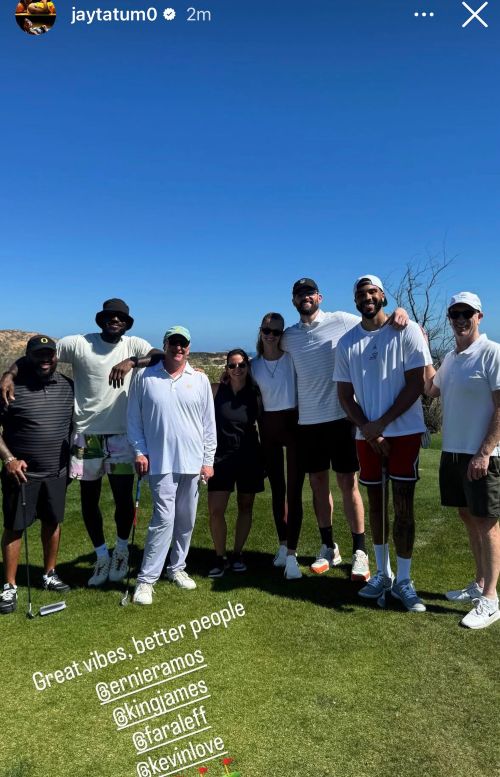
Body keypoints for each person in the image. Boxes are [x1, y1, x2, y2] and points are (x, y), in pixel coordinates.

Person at [0, 299, 154, 587]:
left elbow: (158, 355)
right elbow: (38, 355)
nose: (115, 321)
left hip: (121, 435)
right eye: (110, 316)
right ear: (101, 320)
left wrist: (131, 361)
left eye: (120, 317)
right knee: (89, 500)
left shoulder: (133, 345)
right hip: (87, 434)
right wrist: (9, 373)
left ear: (126, 322)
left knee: (123, 498)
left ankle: (121, 550)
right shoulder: (80, 343)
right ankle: (101, 556)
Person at [335, 275, 431, 612]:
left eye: (373, 292)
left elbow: (416, 383)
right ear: (356, 300)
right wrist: (369, 429)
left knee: (403, 505)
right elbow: (345, 396)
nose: (367, 297)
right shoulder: (347, 342)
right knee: (375, 502)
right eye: (361, 293)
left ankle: (404, 579)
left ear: (383, 296)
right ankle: (383, 574)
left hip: (403, 432)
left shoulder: (407, 330)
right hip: (367, 436)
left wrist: (382, 424)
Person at [282, 278, 379, 582]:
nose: (305, 297)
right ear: (294, 301)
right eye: (299, 294)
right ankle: (329, 547)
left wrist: (400, 316)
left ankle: (360, 552)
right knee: (318, 485)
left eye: (309, 293)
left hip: (341, 418)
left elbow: (375, 322)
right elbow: (266, 353)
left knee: (348, 484)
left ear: (319, 297)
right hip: (307, 423)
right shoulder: (288, 337)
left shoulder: (341, 320)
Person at [425, 292, 500, 629]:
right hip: (453, 454)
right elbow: (431, 389)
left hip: (482, 455)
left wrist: (484, 451)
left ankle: (491, 599)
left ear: (479, 316)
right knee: (468, 518)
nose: (459, 318)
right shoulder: (452, 359)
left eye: (465, 313)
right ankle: (480, 583)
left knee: (487, 524)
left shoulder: (492, 352)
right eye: (454, 313)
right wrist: (423, 347)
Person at [127, 326, 216, 605]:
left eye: (183, 344)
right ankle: (146, 580)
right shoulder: (144, 376)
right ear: (165, 345)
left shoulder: (199, 379)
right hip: (159, 461)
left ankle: (177, 567)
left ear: (189, 348)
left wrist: (208, 460)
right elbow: (134, 420)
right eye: (174, 343)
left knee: (186, 519)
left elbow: (208, 424)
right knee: (163, 519)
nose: (179, 348)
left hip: (192, 461)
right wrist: (140, 452)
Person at [0, 335, 73, 614]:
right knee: (15, 526)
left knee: (53, 522)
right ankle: (9, 585)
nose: (45, 359)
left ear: (56, 357)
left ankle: (49, 573)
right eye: (38, 354)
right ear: (27, 357)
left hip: (56, 471)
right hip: (21, 474)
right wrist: (9, 458)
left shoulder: (68, 387)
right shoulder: (9, 388)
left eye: (49, 354)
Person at [250, 314, 304, 579]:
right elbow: (234, 385)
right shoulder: (253, 365)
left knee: (294, 491)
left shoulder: (292, 360)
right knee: (277, 490)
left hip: (293, 425)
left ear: (282, 334)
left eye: (276, 331)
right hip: (267, 428)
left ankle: (293, 555)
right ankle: (282, 545)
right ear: (260, 332)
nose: (271, 335)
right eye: (266, 331)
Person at [207, 349, 265, 577]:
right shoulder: (215, 391)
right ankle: (219, 557)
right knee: (216, 510)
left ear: (248, 367)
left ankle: (237, 554)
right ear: (226, 369)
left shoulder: (256, 393)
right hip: (220, 459)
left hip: (249, 457)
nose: (237, 369)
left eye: (241, 365)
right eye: (232, 366)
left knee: (245, 507)